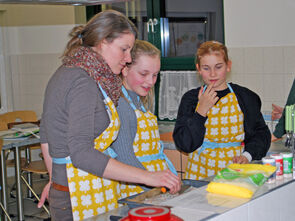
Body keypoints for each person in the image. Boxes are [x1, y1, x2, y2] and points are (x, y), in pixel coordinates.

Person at [38, 10, 181, 221]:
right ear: (103, 41)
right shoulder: (83, 81)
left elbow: (46, 133)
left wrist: (56, 179)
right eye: (124, 49)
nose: (128, 58)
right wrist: (148, 177)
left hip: (73, 188)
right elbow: (82, 154)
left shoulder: (69, 71)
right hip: (78, 194)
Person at [173, 41, 271, 180]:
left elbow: (261, 134)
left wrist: (247, 155)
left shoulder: (245, 97)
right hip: (199, 174)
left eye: (218, 67)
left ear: (228, 66)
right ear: (198, 69)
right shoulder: (191, 99)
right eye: (206, 68)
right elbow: (184, 144)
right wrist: (201, 110)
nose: (213, 74)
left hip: (234, 172)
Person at [111, 40, 178, 199]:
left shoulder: (139, 102)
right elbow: (125, 158)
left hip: (151, 186)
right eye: (144, 74)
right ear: (125, 69)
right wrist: (152, 182)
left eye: (155, 75)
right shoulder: (120, 104)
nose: (150, 81)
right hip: (135, 188)